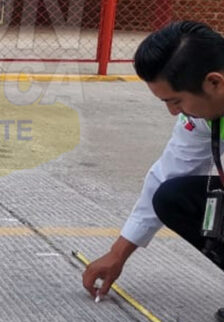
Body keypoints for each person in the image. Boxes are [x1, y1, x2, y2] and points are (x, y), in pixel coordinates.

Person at [83, 21, 224, 319]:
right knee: (173, 196)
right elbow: (170, 172)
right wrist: (118, 253)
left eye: (176, 101)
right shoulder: (205, 112)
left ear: (215, 82)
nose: (173, 111)